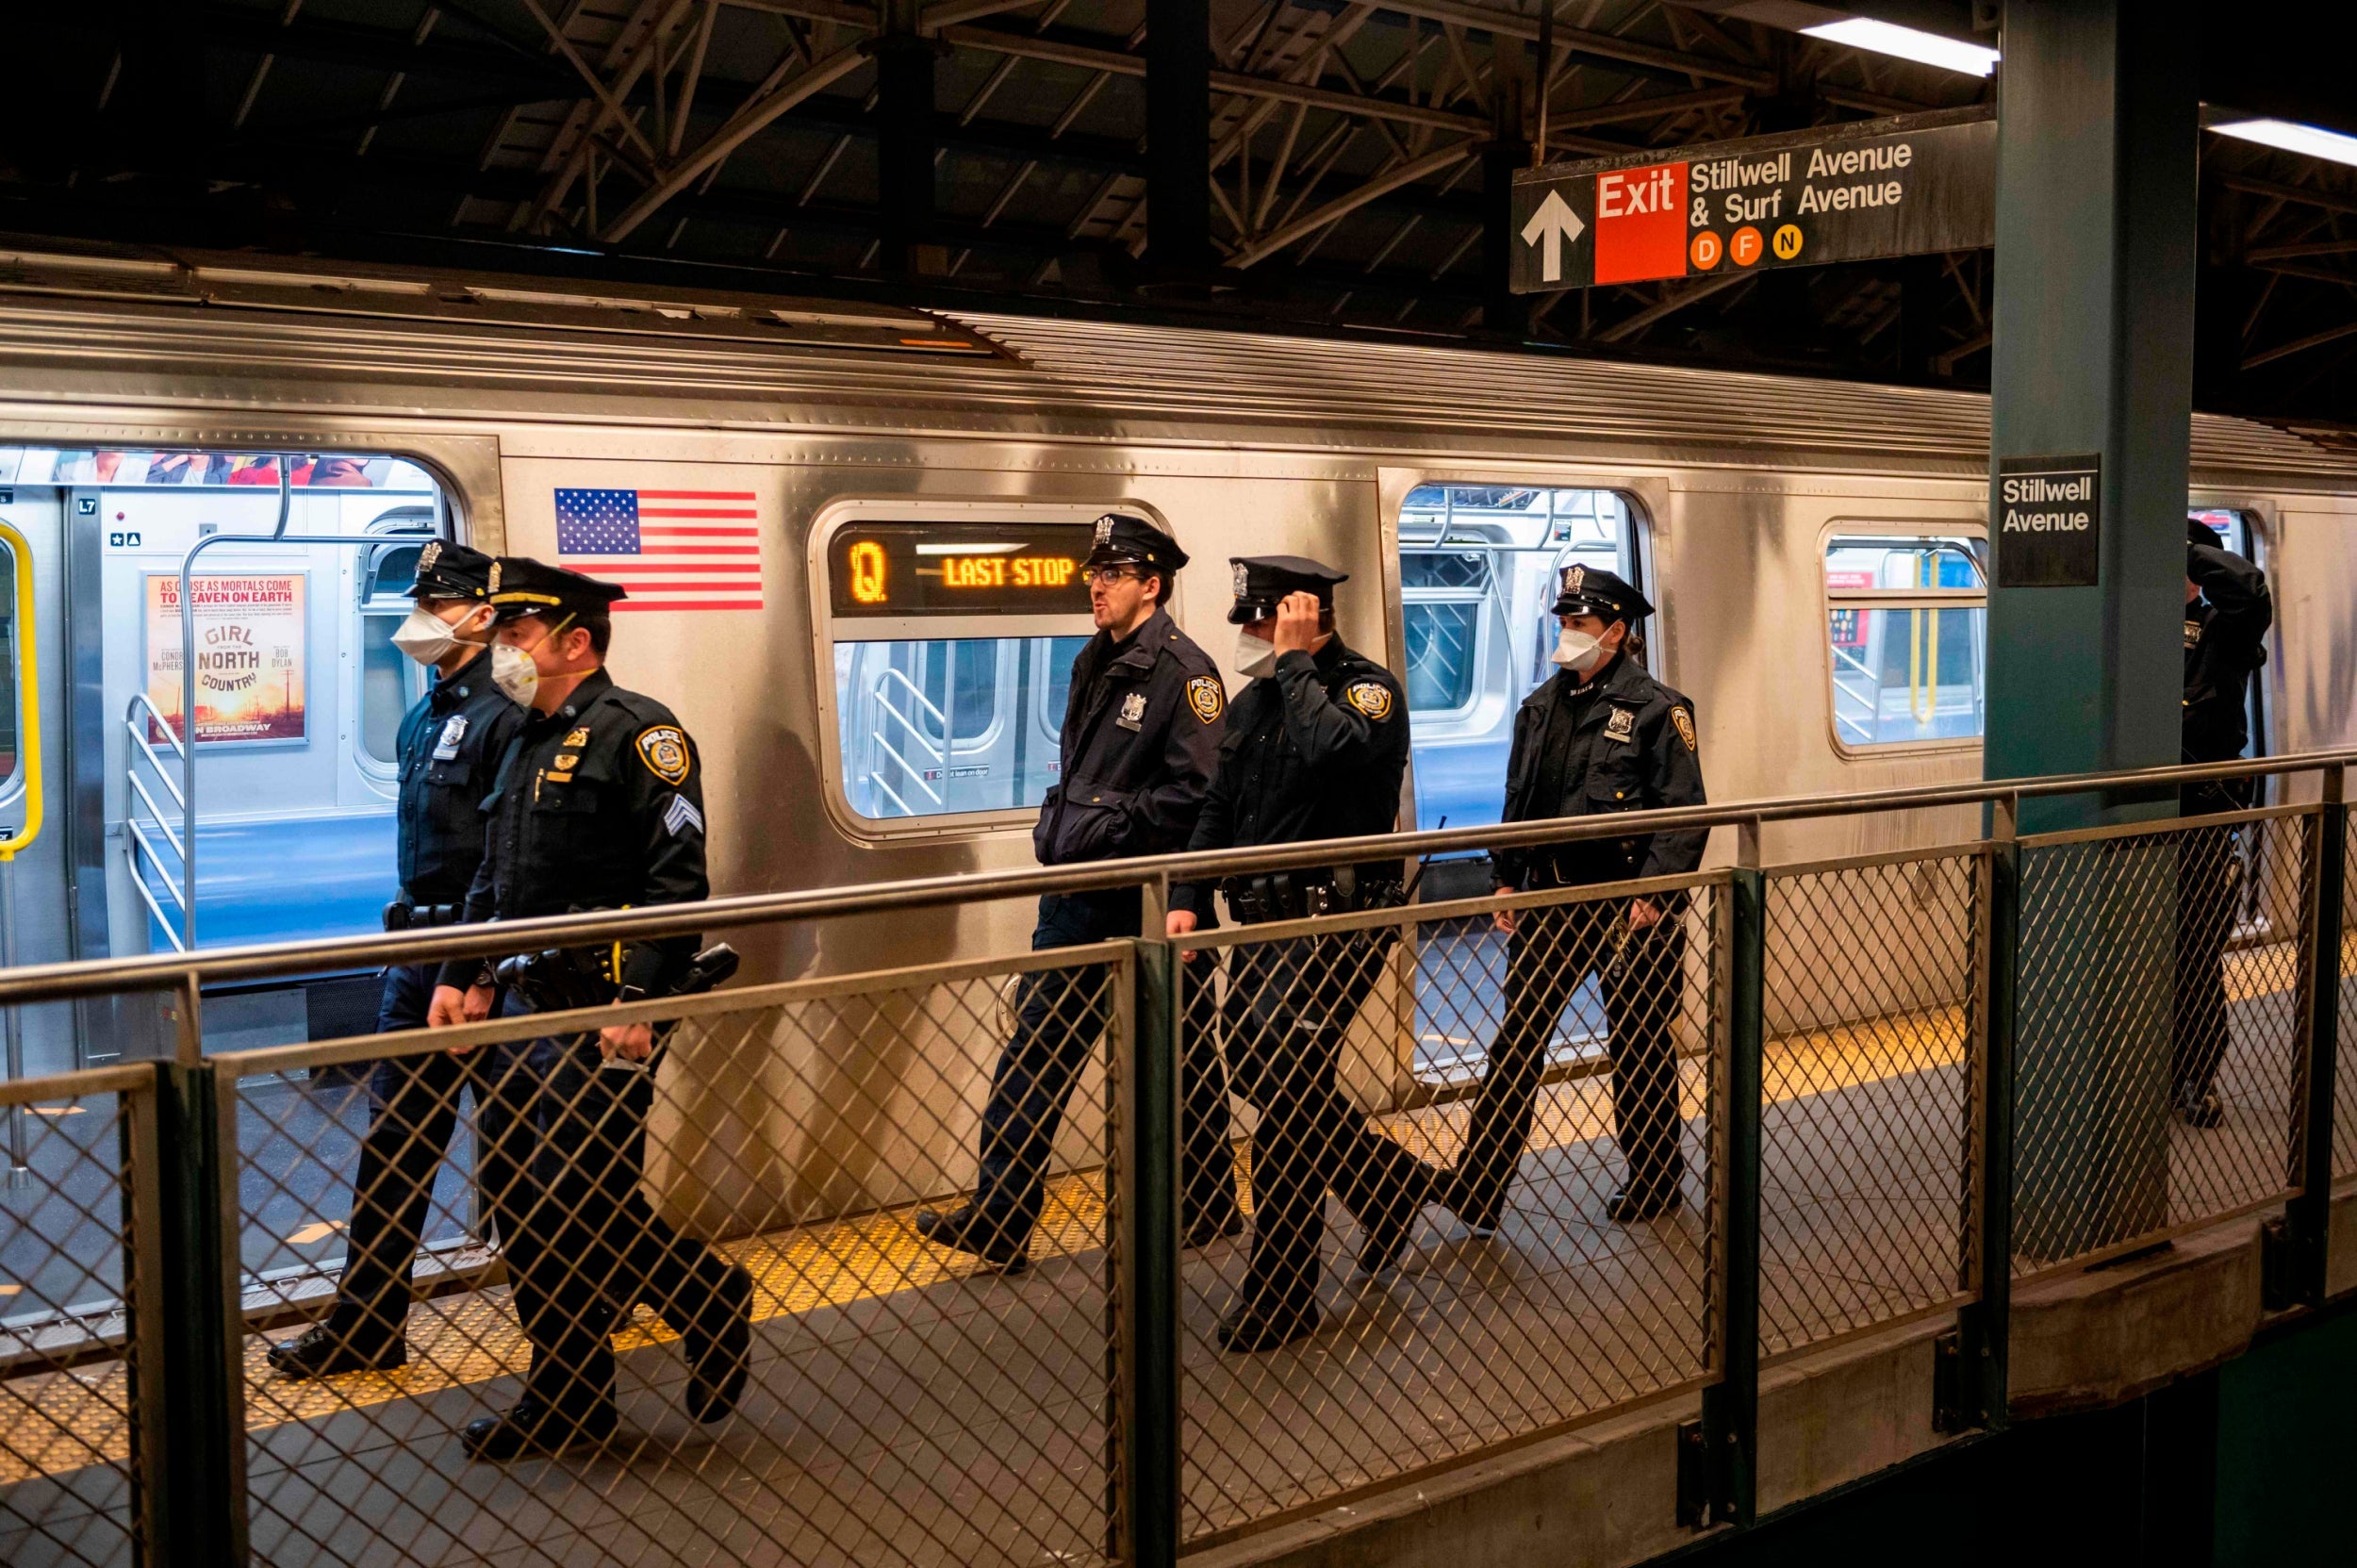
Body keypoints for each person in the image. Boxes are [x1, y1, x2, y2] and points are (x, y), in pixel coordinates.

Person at [430, 557, 753, 1461]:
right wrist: (462, 971)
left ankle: (706, 1296)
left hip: (610, 1004)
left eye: (517, 635)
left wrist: (641, 995)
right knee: (525, 1204)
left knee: (579, 1196)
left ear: (575, 641)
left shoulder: (640, 734)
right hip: (527, 1007)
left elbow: (676, 882)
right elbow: (494, 879)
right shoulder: (517, 739)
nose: (501, 651)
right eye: (499, 636)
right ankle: (570, 1396)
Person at [916, 515, 1242, 1272]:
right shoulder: (1094, 659)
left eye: (1113, 573)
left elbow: (1197, 794)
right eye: (1093, 572)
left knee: (1180, 1058)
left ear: (1152, 585)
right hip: (1079, 893)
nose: (1094, 585)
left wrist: (1101, 823)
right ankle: (1001, 1215)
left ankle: (1207, 1202)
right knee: (1036, 1049)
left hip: (1149, 897)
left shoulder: (1184, 675)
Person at [1171, 556, 1448, 1352]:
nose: (1251, 640)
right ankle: (1386, 1185)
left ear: (1302, 615)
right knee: (1255, 1068)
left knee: (1290, 1093)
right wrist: (1187, 892)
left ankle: (1283, 1294)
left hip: (1336, 922)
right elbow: (1220, 802)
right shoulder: (1259, 699)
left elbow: (1336, 754)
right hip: (1263, 923)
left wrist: (1297, 664)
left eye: (1262, 623)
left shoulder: (1367, 689)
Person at [267, 541, 530, 1379]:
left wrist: (476, 965)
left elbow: (505, 855)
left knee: (517, 1157)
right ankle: (368, 1322)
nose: (418, 621)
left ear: (482, 617)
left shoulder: (508, 714)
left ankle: (570, 1326)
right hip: (415, 956)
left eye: (436, 603)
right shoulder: (424, 715)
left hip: (479, 960)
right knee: (394, 1144)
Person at [1445, 565, 1706, 1230]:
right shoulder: (1540, 706)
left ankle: (1654, 1178)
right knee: (1516, 1042)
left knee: (1640, 1042)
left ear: (1616, 632)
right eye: (1562, 621)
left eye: (1579, 623)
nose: (1566, 633)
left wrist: (1653, 893)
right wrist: (1505, 876)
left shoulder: (1658, 710)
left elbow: (1684, 812)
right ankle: (1480, 1184)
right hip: (1550, 901)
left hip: (1628, 907)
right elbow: (1520, 802)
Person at [2173, 520, 2273, 1128]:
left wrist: (2186, 552)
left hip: (2202, 814)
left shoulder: (2223, 629)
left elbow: (2250, 591)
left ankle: (2195, 1074)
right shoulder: (2125, 624)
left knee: (2194, 951)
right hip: (2132, 814)